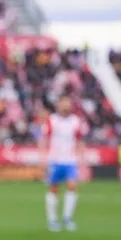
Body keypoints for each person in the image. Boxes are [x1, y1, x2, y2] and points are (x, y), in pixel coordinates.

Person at [41, 97, 85, 232]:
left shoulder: (75, 121)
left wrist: (82, 158)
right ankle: (52, 219)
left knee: (72, 187)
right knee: (53, 189)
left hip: (70, 160)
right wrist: (43, 159)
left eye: (68, 104)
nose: (66, 106)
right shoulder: (52, 120)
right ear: (58, 105)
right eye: (63, 104)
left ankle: (67, 218)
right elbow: (44, 139)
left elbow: (79, 140)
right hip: (55, 160)